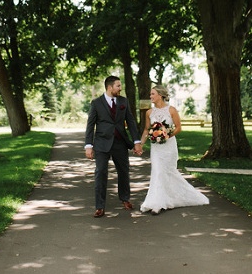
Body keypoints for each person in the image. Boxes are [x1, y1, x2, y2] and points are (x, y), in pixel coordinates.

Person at [140, 85, 209, 215]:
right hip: (156, 148)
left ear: (160, 95)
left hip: (169, 146)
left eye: (152, 94)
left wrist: (166, 135)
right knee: (158, 172)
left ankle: (167, 200)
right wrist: (140, 144)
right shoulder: (149, 112)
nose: (150, 97)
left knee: (168, 172)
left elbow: (178, 128)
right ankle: (157, 203)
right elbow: (146, 130)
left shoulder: (171, 110)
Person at [85, 76, 142, 218]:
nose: (120, 88)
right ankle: (100, 207)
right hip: (101, 144)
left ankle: (125, 198)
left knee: (124, 171)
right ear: (110, 87)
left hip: (120, 143)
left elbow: (131, 121)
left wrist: (136, 141)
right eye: (118, 86)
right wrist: (88, 145)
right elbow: (90, 125)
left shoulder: (123, 101)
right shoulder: (96, 103)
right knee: (100, 173)